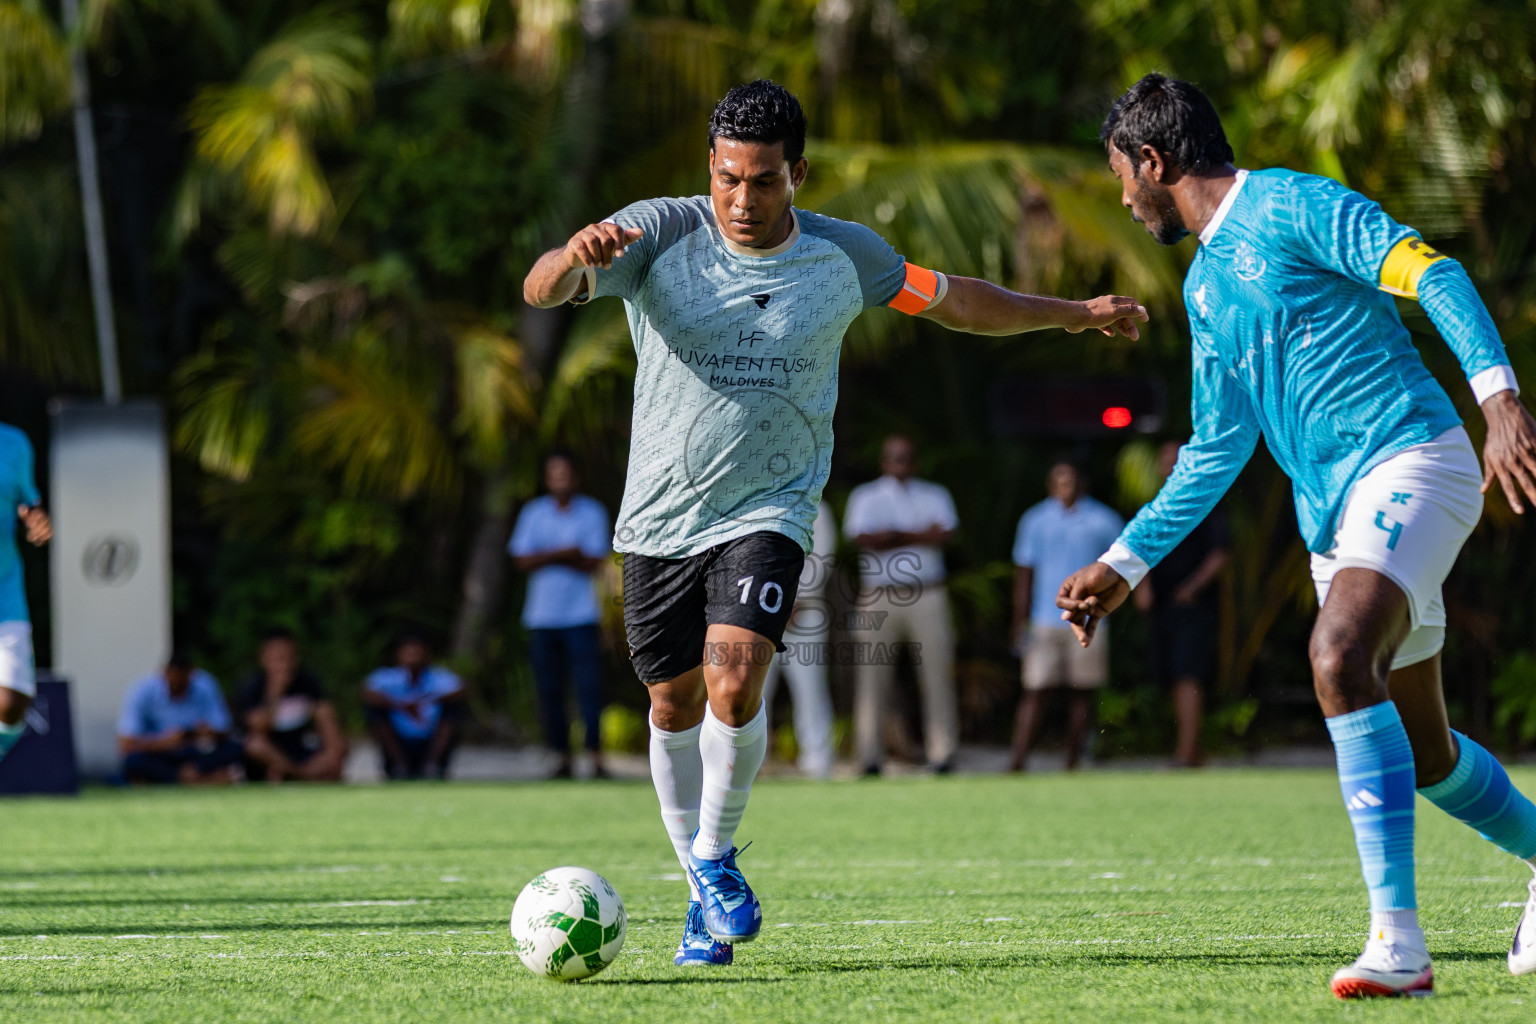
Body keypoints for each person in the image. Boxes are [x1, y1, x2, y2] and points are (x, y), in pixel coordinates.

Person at [523, 79, 1146, 967]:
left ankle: (713, 859)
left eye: (765, 180)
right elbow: (542, 289)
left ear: (799, 174)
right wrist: (573, 255)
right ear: (710, 168)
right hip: (659, 517)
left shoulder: (844, 256)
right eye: (729, 178)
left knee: (734, 678)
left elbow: (957, 300)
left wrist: (1074, 315)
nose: (744, 200)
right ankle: (703, 890)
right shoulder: (657, 230)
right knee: (670, 704)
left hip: (772, 507)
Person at [1055, 72, 1536, 999]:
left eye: (1122, 175)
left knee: (1336, 654)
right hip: (1338, 521)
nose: (1122, 196)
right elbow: (1217, 447)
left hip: (1412, 458)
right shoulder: (1202, 289)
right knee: (1427, 755)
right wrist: (1123, 563)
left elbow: (1431, 270)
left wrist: (1499, 400)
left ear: (1154, 161)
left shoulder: (1291, 203)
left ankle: (1397, 945)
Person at [845, 437, 960, 775]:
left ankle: (943, 753)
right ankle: (869, 756)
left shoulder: (935, 494)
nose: (901, 464)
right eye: (894, 458)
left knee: (937, 673)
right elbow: (864, 540)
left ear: (915, 461)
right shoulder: (865, 496)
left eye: (906, 458)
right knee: (872, 677)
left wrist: (892, 536)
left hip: (928, 593)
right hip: (879, 595)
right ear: (884, 462)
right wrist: (919, 534)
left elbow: (944, 536)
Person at [1007, 458, 1123, 772]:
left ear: (1081, 484)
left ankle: (1073, 762)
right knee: (1035, 689)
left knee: (1082, 692)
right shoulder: (1035, 520)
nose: (1064, 488)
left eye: (1070, 481)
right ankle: (1017, 761)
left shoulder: (1103, 519)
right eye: (1058, 482)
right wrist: (1020, 619)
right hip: (1045, 619)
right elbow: (1024, 572)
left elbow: (1122, 570)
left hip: (1087, 619)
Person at [509, 451, 612, 780]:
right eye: (554, 474)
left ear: (576, 477)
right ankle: (561, 757)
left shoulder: (592, 512)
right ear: (547, 479)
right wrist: (567, 553)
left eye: (565, 474)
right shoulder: (533, 512)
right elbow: (521, 561)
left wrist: (547, 555)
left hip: (582, 615)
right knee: (550, 691)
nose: (560, 480)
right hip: (542, 618)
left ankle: (595, 757)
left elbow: (595, 561)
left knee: (588, 689)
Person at [1133, 440, 1230, 767]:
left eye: (1176, 461)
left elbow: (1220, 554)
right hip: (1161, 605)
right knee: (1171, 675)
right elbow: (1140, 548)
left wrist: (1191, 588)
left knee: (1187, 674)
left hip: (1193, 606)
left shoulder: (1206, 502)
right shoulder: (1157, 506)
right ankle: (1191, 750)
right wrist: (1142, 588)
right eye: (1164, 461)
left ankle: (1186, 753)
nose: (1169, 467)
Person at [760, 500, 837, 779]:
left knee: (810, 687)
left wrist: (796, 600)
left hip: (806, 613)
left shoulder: (817, 506)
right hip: (759, 610)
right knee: (754, 689)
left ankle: (818, 760)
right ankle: (749, 761)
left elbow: (821, 557)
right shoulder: (757, 501)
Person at [233, 627, 348, 782]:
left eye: (287, 656)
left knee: (340, 744)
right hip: (269, 756)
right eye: (277, 657)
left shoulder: (306, 682)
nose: (283, 663)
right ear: (263, 658)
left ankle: (298, 775)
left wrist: (334, 754)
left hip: (301, 751)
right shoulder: (252, 686)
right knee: (255, 746)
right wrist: (274, 693)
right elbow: (257, 727)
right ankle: (305, 777)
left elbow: (326, 717)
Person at [0, 423, 51, 767]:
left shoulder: (14, 442)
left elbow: (27, 500)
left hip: (5, 586)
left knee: (11, 701)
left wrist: (35, 518)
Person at [117, 654, 243, 785]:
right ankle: (201, 780)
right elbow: (126, 744)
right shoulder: (142, 691)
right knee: (134, 761)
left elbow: (224, 728)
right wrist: (164, 742)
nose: (178, 686)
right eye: (173, 683)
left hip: (195, 752)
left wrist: (205, 732)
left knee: (235, 748)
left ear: (191, 676)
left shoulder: (205, 685)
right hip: (161, 753)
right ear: (164, 674)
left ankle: (186, 777)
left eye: (182, 684)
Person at [362, 630, 466, 780]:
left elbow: (460, 690)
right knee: (375, 711)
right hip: (399, 741)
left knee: (454, 709)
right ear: (398, 655)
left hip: (430, 739)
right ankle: (399, 766)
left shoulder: (439, 677)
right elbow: (366, 693)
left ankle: (433, 765)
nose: (413, 658)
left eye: (417, 653)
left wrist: (424, 702)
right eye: (408, 653)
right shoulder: (388, 676)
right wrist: (402, 705)